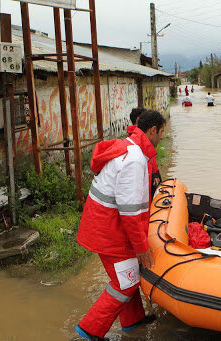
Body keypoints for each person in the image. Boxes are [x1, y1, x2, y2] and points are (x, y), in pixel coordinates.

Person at [75, 111, 167, 341]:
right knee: (124, 283)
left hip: (105, 225)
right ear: (152, 130)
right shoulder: (135, 160)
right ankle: (89, 331)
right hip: (108, 231)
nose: (163, 137)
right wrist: (141, 246)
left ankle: (133, 321)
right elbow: (130, 210)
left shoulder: (131, 148)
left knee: (129, 275)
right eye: (162, 132)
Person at [128, 107, 162, 198]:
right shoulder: (138, 143)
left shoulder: (133, 138)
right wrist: (155, 174)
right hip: (150, 173)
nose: (161, 137)